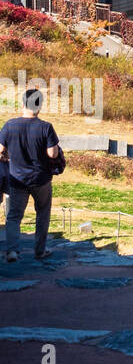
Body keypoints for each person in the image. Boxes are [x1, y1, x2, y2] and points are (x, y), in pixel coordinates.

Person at [0, 88, 62, 263]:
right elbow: (52, 154)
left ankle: (12, 251)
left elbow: (0, 150)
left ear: (22, 104)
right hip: (41, 179)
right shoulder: (46, 127)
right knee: (42, 213)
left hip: (17, 179)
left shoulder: (9, 125)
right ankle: (40, 250)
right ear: (39, 106)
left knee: (13, 216)